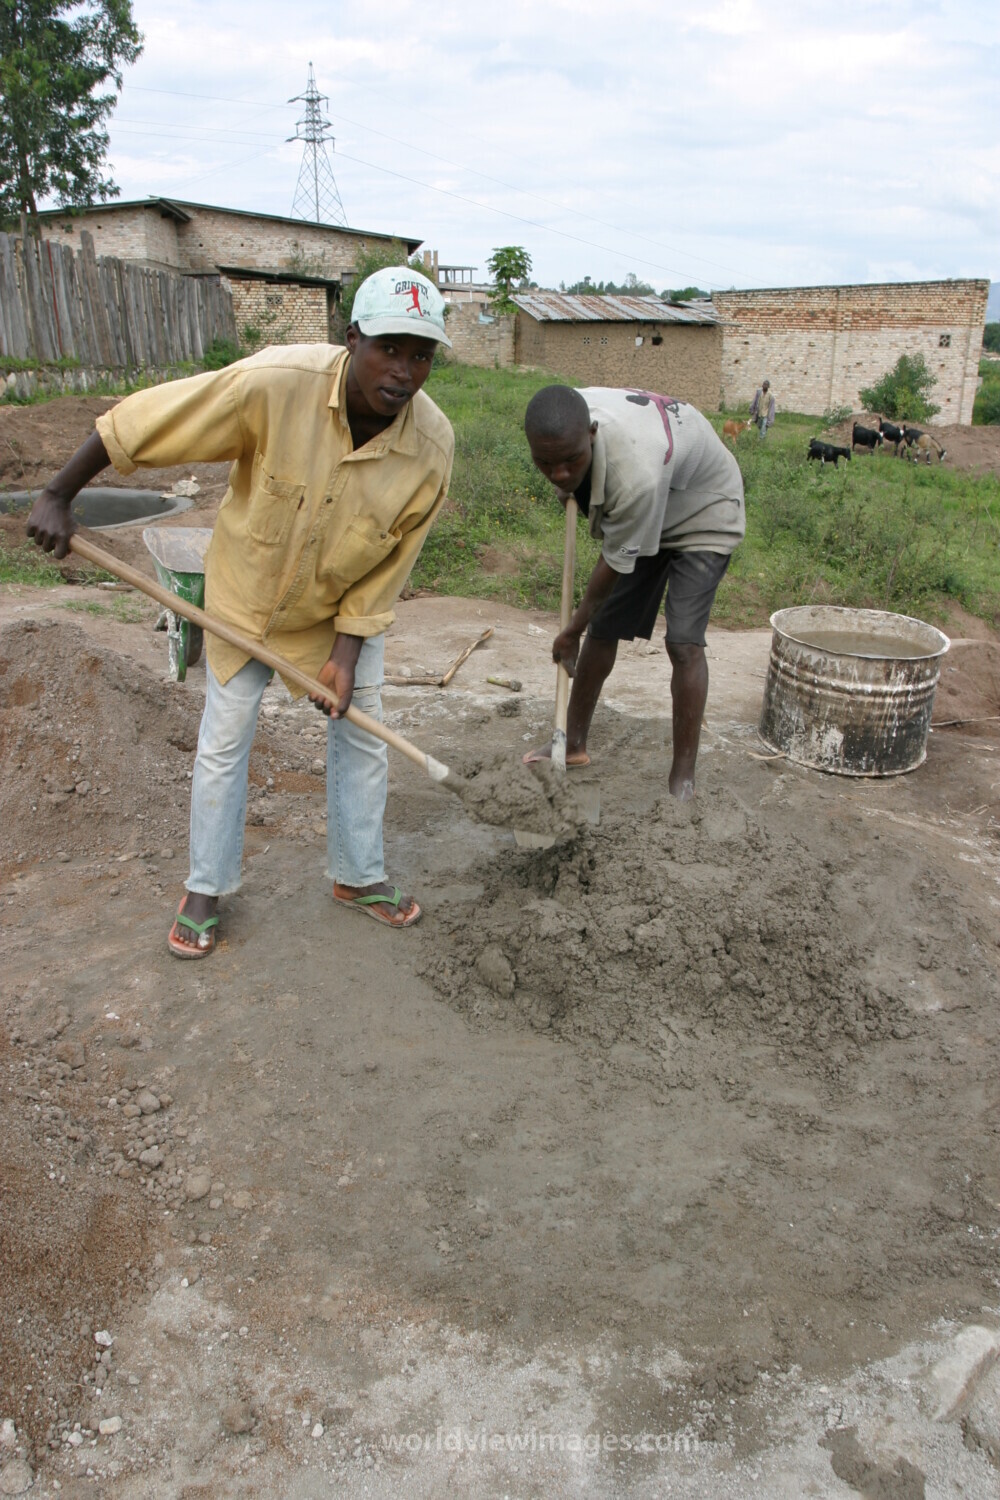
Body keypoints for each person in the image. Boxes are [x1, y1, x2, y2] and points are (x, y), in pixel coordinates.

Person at [27, 266, 455, 953]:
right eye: (390, 348)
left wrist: (345, 653)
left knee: (363, 736)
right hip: (245, 600)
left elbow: (388, 568)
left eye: (422, 354)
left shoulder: (430, 451)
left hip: (334, 609)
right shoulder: (277, 383)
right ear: (352, 339)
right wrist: (57, 493)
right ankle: (206, 885)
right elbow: (152, 421)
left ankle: (359, 874)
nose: (405, 371)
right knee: (225, 742)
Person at [521, 385, 744, 800]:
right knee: (604, 627)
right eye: (545, 463)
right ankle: (571, 744)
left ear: (590, 433)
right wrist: (570, 478)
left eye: (571, 461)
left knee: (683, 642)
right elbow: (580, 482)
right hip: (656, 502)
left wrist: (571, 631)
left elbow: (612, 564)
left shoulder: (634, 474)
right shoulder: (562, 414)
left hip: (705, 507)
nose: (560, 473)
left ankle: (683, 779)